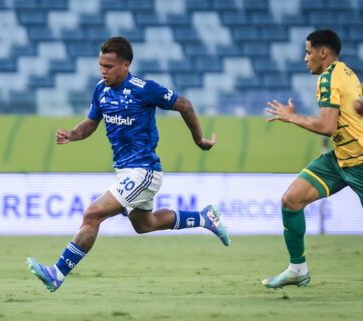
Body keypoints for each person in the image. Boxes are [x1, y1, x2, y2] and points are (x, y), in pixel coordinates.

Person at [26, 37, 230, 292]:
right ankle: (204, 217)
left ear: (125, 65)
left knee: (92, 214)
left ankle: (57, 272)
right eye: (101, 65)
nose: (103, 71)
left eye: (109, 66)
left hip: (144, 170)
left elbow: (185, 105)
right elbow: (90, 123)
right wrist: (72, 134)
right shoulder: (101, 89)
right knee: (145, 225)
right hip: (125, 170)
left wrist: (199, 140)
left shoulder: (144, 89)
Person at [262, 29, 363, 289]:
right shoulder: (347, 73)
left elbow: (328, 126)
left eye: (308, 52)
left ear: (323, 53)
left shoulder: (330, 78)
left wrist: (292, 117)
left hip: (360, 162)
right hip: (341, 157)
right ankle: (297, 269)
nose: (305, 58)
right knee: (291, 200)